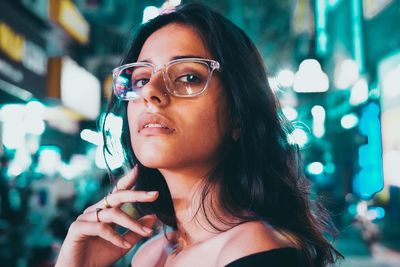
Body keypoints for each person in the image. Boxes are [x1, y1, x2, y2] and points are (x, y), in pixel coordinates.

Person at [55, 3, 343, 267]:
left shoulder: (257, 251)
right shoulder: (149, 255)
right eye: (141, 79)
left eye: (188, 77)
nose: (150, 92)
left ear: (238, 116)